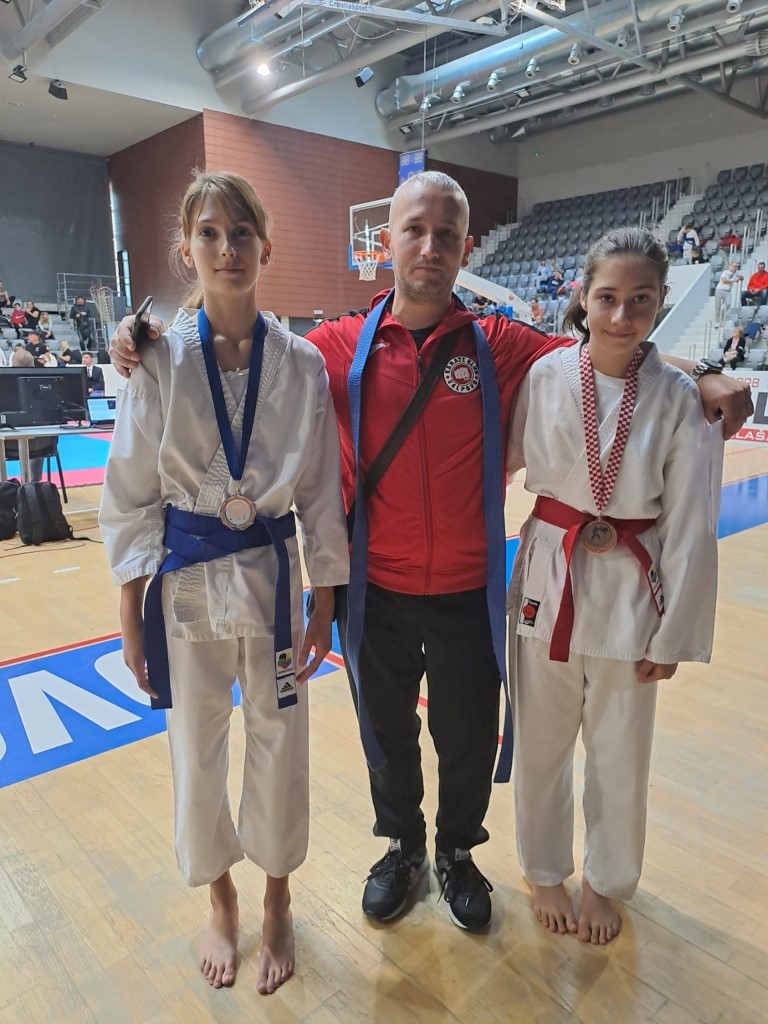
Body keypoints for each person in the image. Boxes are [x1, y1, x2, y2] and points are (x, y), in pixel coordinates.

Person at [109, 171, 752, 936]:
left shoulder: (498, 344)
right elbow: (236, 357)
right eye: (415, 230)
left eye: (447, 234)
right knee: (386, 736)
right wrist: (136, 340)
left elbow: (610, 349)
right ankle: (403, 847)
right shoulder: (332, 347)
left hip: (466, 586)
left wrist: (705, 372)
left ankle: (456, 851)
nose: (430, 246)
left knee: (467, 736)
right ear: (388, 241)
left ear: (465, 248)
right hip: (373, 587)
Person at [99, 170, 349, 995]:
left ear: (266, 248)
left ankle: (277, 898)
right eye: (209, 233)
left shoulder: (302, 363)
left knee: (281, 741)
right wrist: (130, 616)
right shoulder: (159, 358)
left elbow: (319, 489)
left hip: (273, 578)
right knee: (194, 746)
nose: (227, 248)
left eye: (242, 233)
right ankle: (221, 896)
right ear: (186, 249)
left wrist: (326, 593)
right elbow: (131, 491)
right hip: (185, 580)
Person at [506, 227, 722, 946]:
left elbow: (690, 524)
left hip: (633, 585)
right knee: (539, 742)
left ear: (661, 303)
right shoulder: (544, 376)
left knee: (621, 752)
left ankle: (606, 880)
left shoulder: (679, 398)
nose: (623, 317)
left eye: (641, 301)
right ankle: (544, 868)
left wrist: (675, 633)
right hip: (550, 575)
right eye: (607, 298)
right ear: (582, 296)